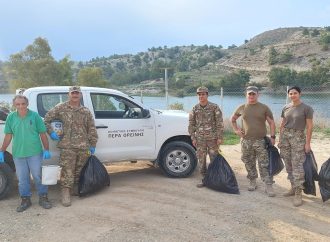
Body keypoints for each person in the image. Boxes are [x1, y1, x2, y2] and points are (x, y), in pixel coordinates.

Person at [44, 86, 98, 207]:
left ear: (80, 95)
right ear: (69, 94)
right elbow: (46, 120)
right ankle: (65, 193)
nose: (75, 95)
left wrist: (93, 144)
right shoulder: (61, 107)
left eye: (77, 93)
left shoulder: (85, 111)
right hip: (67, 146)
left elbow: (91, 128)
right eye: (73, 93)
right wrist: (51, 132)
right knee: (67, 170)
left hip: (83, 146)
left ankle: (74, 190)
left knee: (80, 170)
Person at [0, 95, 52, 212]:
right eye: (18, 104)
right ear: (14, 105)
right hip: (18, 154)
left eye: (23, 104)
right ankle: (25, 199)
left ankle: (43, 197)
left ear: (27, 104)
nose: (21, 106)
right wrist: (2, 151)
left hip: (34, 153)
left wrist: (46, 149)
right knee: (22, 179)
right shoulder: (11, 117)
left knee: (38, 176)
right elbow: (8, 136)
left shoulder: (35, 116)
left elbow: (42, 133)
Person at [231, 86, 276, 197]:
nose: (251, 96)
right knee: (248, 161)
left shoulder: (264, 108)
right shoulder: (242, 107)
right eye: (249, 94)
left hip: (260, 141)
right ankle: (252, 181)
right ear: (246, 95)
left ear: (258, 95)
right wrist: (236, 130)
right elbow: (233, 120)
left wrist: (273, 137)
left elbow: (271, 123)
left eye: (253, 94)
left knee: (264, 163)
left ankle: (268, 185)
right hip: (246, 141)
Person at [278, 86, 313, 207]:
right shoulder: (285, 107)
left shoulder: (307, 108)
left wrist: (307, 143)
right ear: (288, 95)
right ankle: (293, 187)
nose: (292, 95)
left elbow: (309, 127)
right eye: (290, 93)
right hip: (285, 137)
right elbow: (282, 124)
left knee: (297, 164)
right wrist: (280, 138)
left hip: (298, 137)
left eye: (295, 93)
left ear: (300, 94)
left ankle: (299, 192)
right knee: (288, 163)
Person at [188, 86, 224, 188]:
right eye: (199, 94)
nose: (201, 96)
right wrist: (193, 138)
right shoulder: (195, 108)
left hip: (212, 139)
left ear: (207, 95)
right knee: (201, 160)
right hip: (200, 140)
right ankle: (205, 180)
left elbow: (219, 123)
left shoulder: (214, 107)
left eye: (203, 94)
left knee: (214, 159)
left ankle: (216, 180)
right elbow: (191, 124)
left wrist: (219, 137)